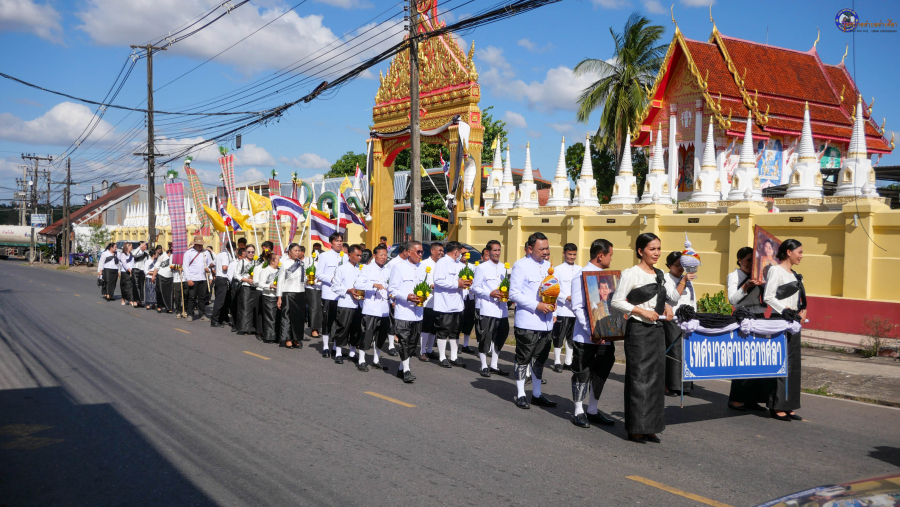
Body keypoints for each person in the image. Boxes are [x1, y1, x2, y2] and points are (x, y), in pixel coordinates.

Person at [611, 233, 679, 444]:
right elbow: (616, 302)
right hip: (639, 331)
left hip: (657, 330)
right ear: (641, 251)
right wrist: (640, 311)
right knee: (639, 379)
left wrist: (666, 307)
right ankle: (636, 428)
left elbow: (668, 298)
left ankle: (651, 427)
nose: (657, 253)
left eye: (659, 249)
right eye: (652, 249)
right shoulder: (631, 273)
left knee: (656, 379)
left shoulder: (660, 274)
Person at [569, 239, 618, 428]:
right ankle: (578, 411)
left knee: (600, 372)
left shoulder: (607, 277)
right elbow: (578, 307)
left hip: (606, 336)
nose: (611, 259)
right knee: (582, 373)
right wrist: (593, 331)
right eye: (610, 255)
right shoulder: (581, 275)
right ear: (600, 255)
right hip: (586, 337)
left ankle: (593, 410)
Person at [509, 232, 558, 410]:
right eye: (542, 249)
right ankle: (521, 393)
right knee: (524, 359)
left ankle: (537, 394)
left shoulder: (549, 267)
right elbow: (514, 293)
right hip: (528, 322)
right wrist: (536, 305)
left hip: (546, 322)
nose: (546, 251)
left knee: (540, 359)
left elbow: (553, 291)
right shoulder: (520, 266)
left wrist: (554, 308)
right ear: (530, 249)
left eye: (547, 247)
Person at [763, 239, 806, 422]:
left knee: (793, 364)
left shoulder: (794, 274)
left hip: (793, 321)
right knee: (781, 364)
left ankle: (789, 405)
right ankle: (777, 405)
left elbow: (800, 298)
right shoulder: (775, 270)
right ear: (789, 252)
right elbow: (768, 297)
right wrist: (787, 312)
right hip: (781, 321)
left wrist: (803, 310)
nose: (801, 256)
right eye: (800, 252)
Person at [727, 246, 769, 412]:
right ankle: (736, 398)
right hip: (743, 318)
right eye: (747, 260)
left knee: (758, 359)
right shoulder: (734, 275)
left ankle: (754, 399)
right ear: (739, 260)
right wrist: (746, 286)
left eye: (754, 261)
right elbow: (732, 299)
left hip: (759, 317)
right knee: (743, 358)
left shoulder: (759, 276)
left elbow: (766, 299)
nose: (751, 264)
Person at [388, 241, 426, 383]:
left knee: (412, 343)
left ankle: (400, 368)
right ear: (409, 252)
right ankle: (407, 370)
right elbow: (392, 290)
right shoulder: (398, 267)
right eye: (418, 252)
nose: (421, 254)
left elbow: (426, 287)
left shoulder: (423, 268)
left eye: (422, 252)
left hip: (418, 312)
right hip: (403, 311)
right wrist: (406, 297)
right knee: (404, 341)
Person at [471, 240, 510, 377]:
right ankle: (483, 365)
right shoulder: (482, 268)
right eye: (494, 250)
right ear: (488, 252)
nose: (497, 253)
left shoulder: (504, 268)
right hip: (487, 307)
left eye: (499, 250)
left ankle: (494, 364)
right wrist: (489, 294)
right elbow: (474, 288)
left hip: (502, 309)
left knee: (501, 336)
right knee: (485, 337)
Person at [663, 251, 697, 397]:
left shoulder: (687, 280)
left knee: (687, 351)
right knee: (675, 351)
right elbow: (673, 296)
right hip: (673, 319)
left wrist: (694, 315)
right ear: (670, 265)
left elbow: (692, 299)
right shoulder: (666, 278)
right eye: (677, 266)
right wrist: (683, 281)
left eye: (683, 266)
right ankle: (671, 386)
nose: (681, 269)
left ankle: (685, 385)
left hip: (687, 320)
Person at [432, 241, 470, 368]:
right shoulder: (442, 263)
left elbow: (463, 280)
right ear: (456, 252)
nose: (461, 255)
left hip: (457, 304)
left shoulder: (459, 265)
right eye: (460, 252)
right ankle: (442, 357)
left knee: (455, 331)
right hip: (445, 304)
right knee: (443, 330)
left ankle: (454, 357)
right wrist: (456, 283)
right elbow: (438, 280)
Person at [354, 244, 391, 372]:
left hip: (384, 309)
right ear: (374, 256)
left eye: (385, 255)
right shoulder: (367, 269)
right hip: (371, 308)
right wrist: (373, 284)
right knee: (367, 334)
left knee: (381, 335)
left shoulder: (388, 270)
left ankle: (376, 359)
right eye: (381, 255)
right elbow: (358, 284)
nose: (383, 257)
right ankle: (362, 360)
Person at [330, 244, 363, 364]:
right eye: (357, 255)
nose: (359, 257)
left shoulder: (362, 269)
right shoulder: (341, 269)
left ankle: (352, 352)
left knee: (356, 329)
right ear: (349, 255)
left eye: (361, 255)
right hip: (345, 303)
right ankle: (338, 352)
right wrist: (348, 290)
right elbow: (335, 286)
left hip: (359, 304)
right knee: (343, 328)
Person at [551, 243, 580, 373]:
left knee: (572, 337)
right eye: (569, 254)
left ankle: (568, 362)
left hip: (575, 311)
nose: (572, 257)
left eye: (574, 254)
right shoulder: (557, 269)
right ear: (564, 254)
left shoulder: (580, 269)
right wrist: (566, 298)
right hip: (562, 309)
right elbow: (554, 289)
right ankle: (557, 361)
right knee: (558, 336)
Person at [316, 234, 343, 358]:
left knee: (340, 322)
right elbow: (319, 274)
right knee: (327, 321)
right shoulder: (324, 256)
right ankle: (326, 346)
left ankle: (335, 346)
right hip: (329, 294)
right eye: (337, 241)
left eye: (341, 241)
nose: (339, 243)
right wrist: (332, 279)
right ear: (331, 243)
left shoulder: (346, 257)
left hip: (341, 296)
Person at [277, 243, 306, 349]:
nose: (297, 252)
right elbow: (280, 281)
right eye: (295, 250)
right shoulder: (284, 264)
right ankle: (287, 339)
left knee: (299, 318)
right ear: (289, 251)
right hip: (288, 293)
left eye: (299, 250)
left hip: (300, 292)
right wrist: (279, 297)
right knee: (287, 317)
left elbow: (304, 278)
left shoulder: (302, 263)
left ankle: (296, 338)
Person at [419, 242, 443, 361]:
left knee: (434, 327)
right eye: (439, 251)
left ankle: (429, 350)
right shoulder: (423, 264)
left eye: (443, 251)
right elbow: (422, 281)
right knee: (426, 326)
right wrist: (434, 285)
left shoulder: (442, 264)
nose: (441, 253)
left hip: (439, 301)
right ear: (432, 251)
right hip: (428, 301)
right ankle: (422, 351)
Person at [253, 250, 281, 343]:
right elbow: (261, 284)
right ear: (272, 261)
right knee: (269, 317)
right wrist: (270, 286)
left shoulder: (279, 271)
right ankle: (269, 337)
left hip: (277, 296)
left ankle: (276, 336)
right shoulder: (265, 271)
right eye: (278, 259)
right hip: (268, 296)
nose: (279, 261)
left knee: (276, 317)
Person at [183, 235, 212, 322]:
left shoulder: (206, 253)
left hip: (203, 278)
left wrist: (209, 273)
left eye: (201, 245)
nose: (200, 246)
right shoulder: (188, 253)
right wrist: (188, 279)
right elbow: (185, 266)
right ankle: (190, 314)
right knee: (192, 297)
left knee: (202, 297)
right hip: (193, 278)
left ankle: (202, 314)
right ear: (194, 244)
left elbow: (210, 264)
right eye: (198, 245)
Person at [211, 241, 236, 328]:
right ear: (232, 249)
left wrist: (214, 271)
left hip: (219, 278)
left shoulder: (219, 254)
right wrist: (234, 266)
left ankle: (222, 318)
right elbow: (224, 267)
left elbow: (211, 264)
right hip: (222, 278)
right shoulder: (226, 255)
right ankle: (214, 320)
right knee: (220, 301)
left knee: (224, 301)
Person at [235, 245, 258, 335]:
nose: (251, 254)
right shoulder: (242, 262)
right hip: (245, 287)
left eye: (252, 252)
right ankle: (244, 328)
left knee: (254, 308)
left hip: (255, 287)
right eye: (249, 252)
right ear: (245, 252)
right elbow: (236, 275)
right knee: (245, 308)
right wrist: (246, 280)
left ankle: (253, 328)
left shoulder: (257, 262)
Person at [254, 241, 276, 334]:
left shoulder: (275, 268)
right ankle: (260, 332)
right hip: (260, 291)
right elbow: (255, 281)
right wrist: (267, 285)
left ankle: (270, 331)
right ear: (263, 257)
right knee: (260, 313)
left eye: (270, 258)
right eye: (266, 257)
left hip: (272, 293)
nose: (269, 259)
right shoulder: (259, 268)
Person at [305, 242, 323, 339]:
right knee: (315, 308)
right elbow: (305, 274)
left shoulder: (322, 263)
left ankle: (319, 328)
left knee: (320, 309)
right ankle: (314, 329)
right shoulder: (308, 261)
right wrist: (312, 279)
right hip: (312, 288)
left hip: (322, 288)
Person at [118, 242, 138, 308]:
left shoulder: (132, 255)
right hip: (125, 272)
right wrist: (129, 270)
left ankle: (130, 299)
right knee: (124, 287)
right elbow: (124, 263)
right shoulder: (123, 254)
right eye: (131, 246)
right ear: (127, 247)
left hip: (131, 272)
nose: (132, 247)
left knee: (130, 286)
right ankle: (123, 299)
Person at [155, 243, 174, 313]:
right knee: (160, 291)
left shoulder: (175, 257)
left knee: (169, 293)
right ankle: (159, 306)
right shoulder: (163, 256)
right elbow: (156, 267)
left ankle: (169, 307)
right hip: (161, 276)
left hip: (170, 276)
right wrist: (153, 276)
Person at [133, 241, 149, 307]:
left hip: (142, 271)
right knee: (136, 286)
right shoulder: (137, 252)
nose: (146, 246)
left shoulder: (146, 254)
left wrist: (146, 272)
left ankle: (140, 301)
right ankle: (135, 301)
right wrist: (140, 247)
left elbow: (146, 263)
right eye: (145, 245)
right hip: (136, 270)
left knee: (141, 286)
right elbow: (133, 254)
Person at [144, 246, 160, 311]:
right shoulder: (147, 261)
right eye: (156, 254)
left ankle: (154, 304)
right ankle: (148, 304)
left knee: (155, 291)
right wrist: (153, 273)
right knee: (148, 291)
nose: (157, 255)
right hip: (149, 277)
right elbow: (146, 271)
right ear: (153, 254)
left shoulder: (157, 261)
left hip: (155, 278)